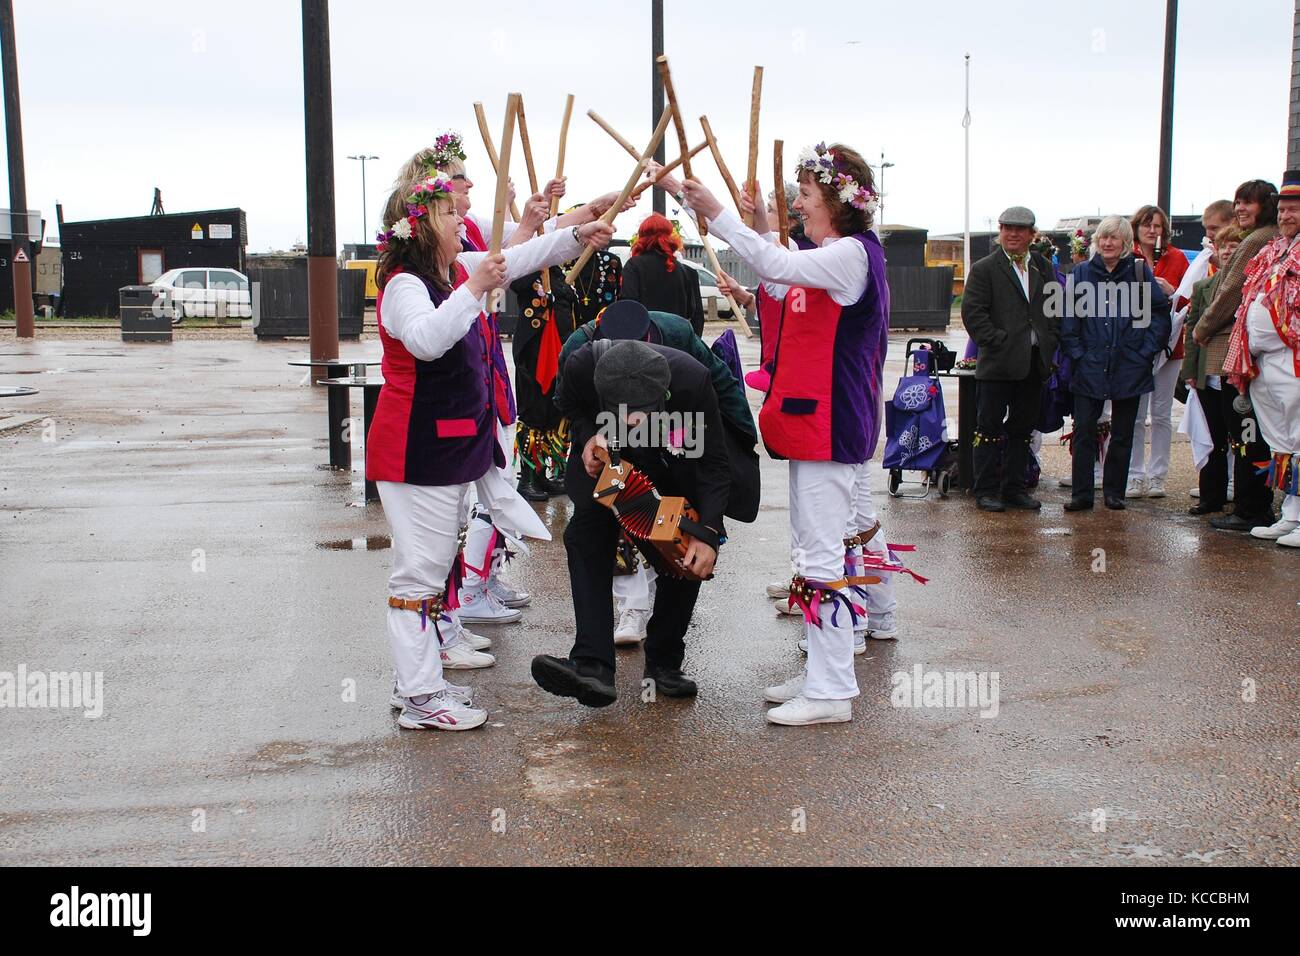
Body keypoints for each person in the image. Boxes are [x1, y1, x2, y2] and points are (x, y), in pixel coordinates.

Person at [367, 170, 614, 731]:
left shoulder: (450, 271)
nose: (463, 221)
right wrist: (474, 288)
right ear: (426, 225)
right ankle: (420, 696)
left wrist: (576, 236)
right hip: (416, 447)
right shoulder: (407, 284)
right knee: (419, 576)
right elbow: (428, 341)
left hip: (446, 445)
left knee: (429, 569)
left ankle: (420, 685)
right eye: (452, 214)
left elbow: (518, 257)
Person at [662, 141, 893, 726]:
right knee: (816, 549)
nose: (798, 204)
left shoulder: (851, 256)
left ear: (838, 203)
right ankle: (822, 673)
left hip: (833, 424)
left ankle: (834, 688)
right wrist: (721, 218)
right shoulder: (830, 256)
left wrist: (720, 216)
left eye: (807, 196)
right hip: (812, 423)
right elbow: (774, 279)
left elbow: (778, 266)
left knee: (823, 553)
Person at [532, 339, 736, 706]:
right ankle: (592, 665)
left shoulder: (692, 381)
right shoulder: (581, 367)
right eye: (625, 411)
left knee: (682, 548)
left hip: (675, 461)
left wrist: (707, 533)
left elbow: (715, 465)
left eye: (640, 411)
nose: (632, 421)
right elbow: (570, 407)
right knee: (584, 536)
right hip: (609, 463)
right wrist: (588, 437)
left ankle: (664, 664)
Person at [561, 299, 762, 644]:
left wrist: (739, 445)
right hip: (608, 435)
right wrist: (588, 439)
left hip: (680, 426)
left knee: (682, 531)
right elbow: (567, 404)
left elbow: (723, 388)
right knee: (596, 527)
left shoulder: (681, 342)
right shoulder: (579, 352)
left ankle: (665, 656)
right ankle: (625, 617)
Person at [1060, 216, 1172, 511]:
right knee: (1084, 429)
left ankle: (1114, 492)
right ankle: (1082, 494)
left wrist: (1145, 350)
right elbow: (1069, 318)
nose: (1107, 243)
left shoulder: (1138, 272)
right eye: (1103, 238)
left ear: (1124, 242)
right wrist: (1078, 353)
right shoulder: (1082, 273)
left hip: (1129, 364)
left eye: (1114, 238)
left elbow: (1159, 314)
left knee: (1123, 432)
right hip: (1091, 364)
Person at [1192, 179, 1281, 532]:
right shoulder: (1263, 238)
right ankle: (1252, 504)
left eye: (1248, 203)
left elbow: (1230, 293)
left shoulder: (1256, 241)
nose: (1241, 209)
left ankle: (1251, 507)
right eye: (1237, 203)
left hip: (1235, 353)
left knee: (1244, 435)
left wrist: (1202, 327)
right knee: (1245, 435)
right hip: (1244, 353)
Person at [961, 206, 1062, 512]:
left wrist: (1049, 339)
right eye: (1007, 228)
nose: (1013, 234)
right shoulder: (985, 268)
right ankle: (986, 489)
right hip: (998, 364)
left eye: (1020, 230)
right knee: (988, 428)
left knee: (1022, 430)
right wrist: (998, 341)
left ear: (1032, 234)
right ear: (1000, 232)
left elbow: (1054, 308)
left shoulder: (1043, 267)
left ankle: (1014, 488)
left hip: (1033, 363)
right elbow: (973, 313)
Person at [1224, 168, 1300, 547]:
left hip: (1293, 355)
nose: (1287, 216)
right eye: (1284, 210)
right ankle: (1291, 514)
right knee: (1280, 439)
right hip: (1263, 360)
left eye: (1295, 210)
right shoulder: (1271, 250)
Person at [1126, 204, 1190, 499]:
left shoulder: (1176, 258)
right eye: (1147, 225)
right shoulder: (1129, 258)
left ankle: (1157, 476)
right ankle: (1135, 474)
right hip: (1136, 348)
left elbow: (1191, 297)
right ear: (1136, 228)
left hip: (1169, 345)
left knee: (1161, 414)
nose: (1153, 231)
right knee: (1135, 415)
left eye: (1158, 226)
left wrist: (1171, 290)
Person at [1182, 224, 1244, 515]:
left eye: (1235, 245)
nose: (1229, 250)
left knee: (1241, 438)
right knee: (1212, 438)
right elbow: (1192, 329)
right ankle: (1211, 496)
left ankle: (1244, 496)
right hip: (1208, 374)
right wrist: (1191, 371)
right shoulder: (1203, 287)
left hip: (1237, 373)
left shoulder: (1249, 284)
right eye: (1224, 246)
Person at [510, 266, 579, 501]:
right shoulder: (530, 269)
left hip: (560, 354)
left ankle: (541, 476)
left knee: (553, 414)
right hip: (534, 358)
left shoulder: (559, 273)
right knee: (534, 415)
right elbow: (516, 283)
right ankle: (527, 479)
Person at [619, 213, 705, 336]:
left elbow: (628, 307)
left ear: (641, 237)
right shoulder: (687, 272)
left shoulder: (633, 266)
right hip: (678, 342)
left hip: (647, 342)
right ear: (670, 237)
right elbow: (697, 318)